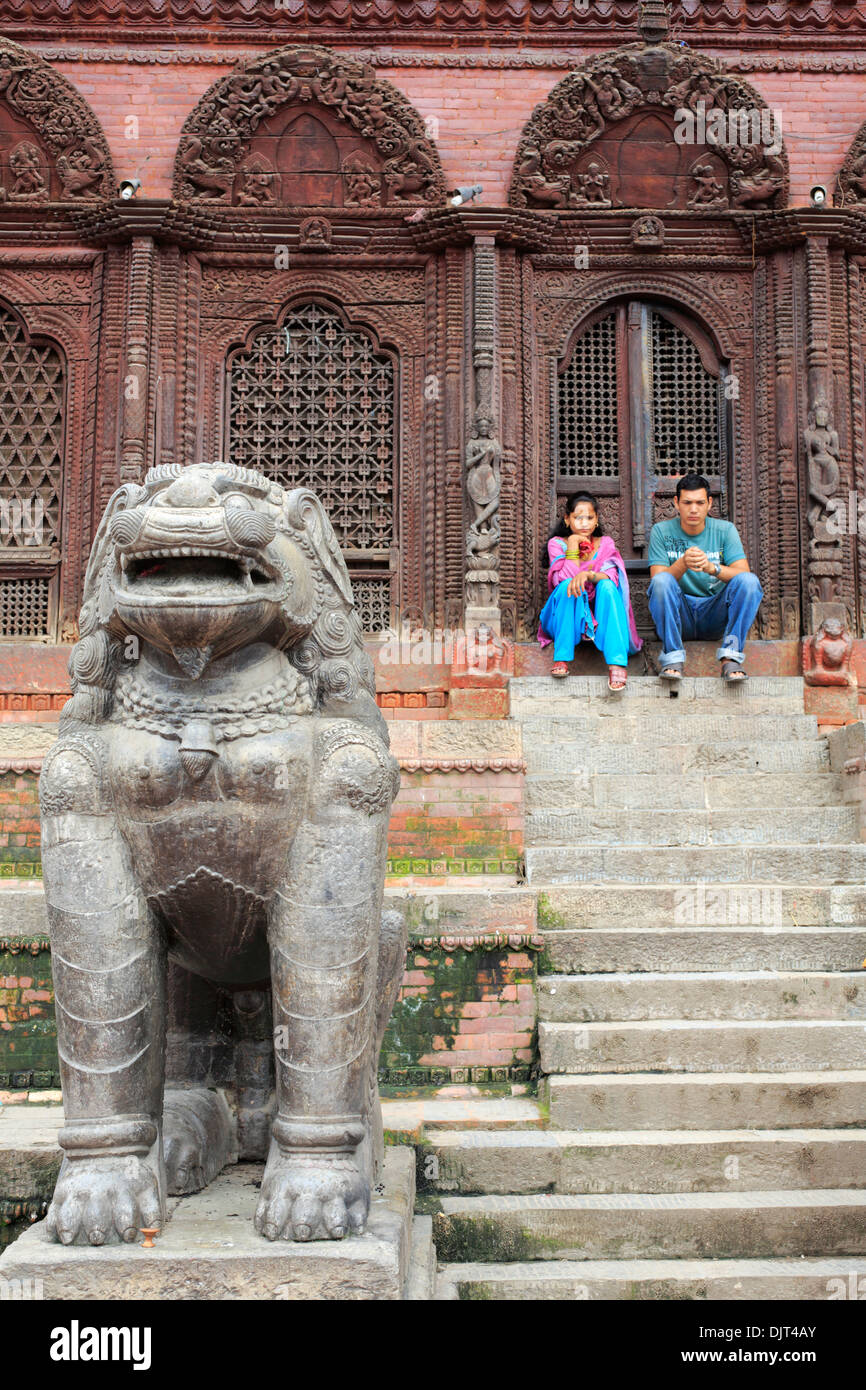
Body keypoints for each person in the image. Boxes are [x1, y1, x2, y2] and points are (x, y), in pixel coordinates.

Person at [647, 473, 763, 683]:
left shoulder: (724, 530)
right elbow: (658, 580)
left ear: (709, 503)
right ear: (676, 503)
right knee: (661, 582)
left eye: (700, 503)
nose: (693, 509)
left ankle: (731, 658)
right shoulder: (661, 531)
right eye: (687, 502)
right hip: (679, 615)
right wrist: (682, 563)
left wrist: (712, 568)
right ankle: (673, 658)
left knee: (749, 582)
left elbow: (743, 574)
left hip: (714, 615)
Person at [538, 491, 642, 691]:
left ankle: (617, 664)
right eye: (578, 517)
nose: (584, 523)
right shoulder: (557, 543)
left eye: (590, 518)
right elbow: (563, 578)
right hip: (564, 615)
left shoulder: (605, 544)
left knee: (608, 586)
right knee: (568, 586)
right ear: (567, 519)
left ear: (596, 521)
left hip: (599, 616)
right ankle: (562, 657)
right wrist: (573, 546)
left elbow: (611, 576)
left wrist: (587, 575)